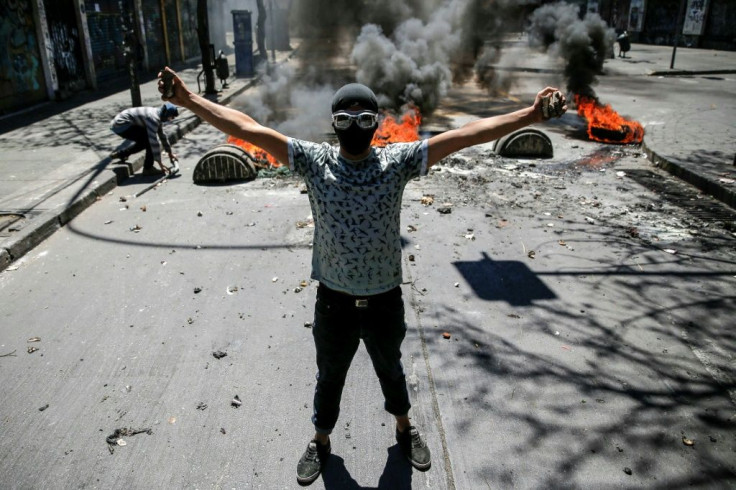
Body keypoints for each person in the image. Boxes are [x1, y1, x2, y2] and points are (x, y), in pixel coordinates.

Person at [157, 67, 566, 485]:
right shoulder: (313, 162)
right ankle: (320, 440)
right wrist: (188, 100)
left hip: (385, 299)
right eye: (345, 120)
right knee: (329, 376)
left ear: (377, 124)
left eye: (364, 120)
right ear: (333, 125)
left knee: (391, 370)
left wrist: (530, 115)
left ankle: (405, 430)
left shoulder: (399, 161)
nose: (355, 128)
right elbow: (247, 126)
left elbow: (468, 134)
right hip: (333, 301)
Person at [110, 102, 179, 176]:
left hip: (122, 122)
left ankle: (122, 154)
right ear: (167, 114)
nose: (171, 120)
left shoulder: (158, 114)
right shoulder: (154, 118)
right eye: (172, 117)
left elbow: (162, 136)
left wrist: (170, 153)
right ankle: (148, 169)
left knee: (143, 142)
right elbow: (154, 143)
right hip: (121, 125)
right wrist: (161, 164)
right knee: (149, 142)